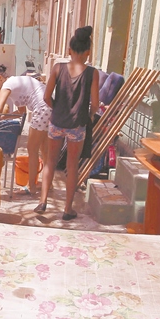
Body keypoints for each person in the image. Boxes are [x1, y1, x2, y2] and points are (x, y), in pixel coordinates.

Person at [36, 25, 100, 220]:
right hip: (77, 126)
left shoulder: (58, 68)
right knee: (72, 166)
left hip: (56, 122)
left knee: (50, 162)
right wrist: (87, 115)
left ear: (69, 50)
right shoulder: (92, 73)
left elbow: (46, 97)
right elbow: (95, 104)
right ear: (88, 53)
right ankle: (67, 209)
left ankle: (43, 201)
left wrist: (58, 109)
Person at [0, 64, 52, 195]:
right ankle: (47, 184)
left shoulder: (7, 85)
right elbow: (21, 112)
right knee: (44, 150)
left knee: (32, 148)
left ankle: (31, 186)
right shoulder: (16, 82)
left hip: (42, 109)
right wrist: (5, 116)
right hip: (51, 106)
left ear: (0, 78)